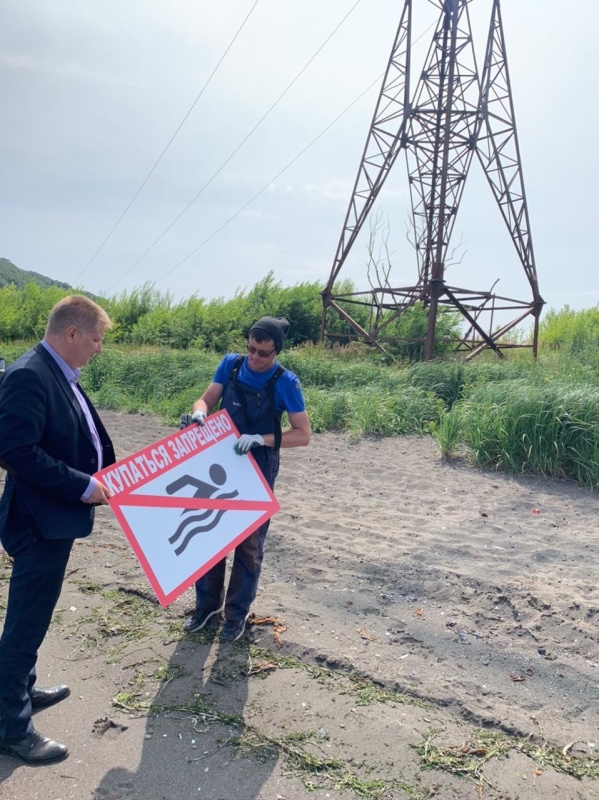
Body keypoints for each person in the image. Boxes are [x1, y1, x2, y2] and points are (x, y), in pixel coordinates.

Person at [0, 295, 115, 763]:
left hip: (52, 518)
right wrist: (83, 486)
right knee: (25, 625)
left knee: (34, 617)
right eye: (95, 339)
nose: (98, 349)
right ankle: (12, 726)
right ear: (71, 334)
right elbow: (16, 451)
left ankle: (22, 690)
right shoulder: (30, 374)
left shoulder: (55, 371)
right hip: (38, 521)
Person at [182, 316, 311, 643]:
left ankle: (236, 616)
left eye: (263, 353)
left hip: (258, 465)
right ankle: (207, 607)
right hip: (220, 462)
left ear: (277, 352)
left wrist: (262, 438)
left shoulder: (287, 383)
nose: (255, 358)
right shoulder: (231, 365)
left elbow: (303, 435)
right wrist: (199, 412)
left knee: (248, 544)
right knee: (209, 533)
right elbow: (207, 398)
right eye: (251, 349)